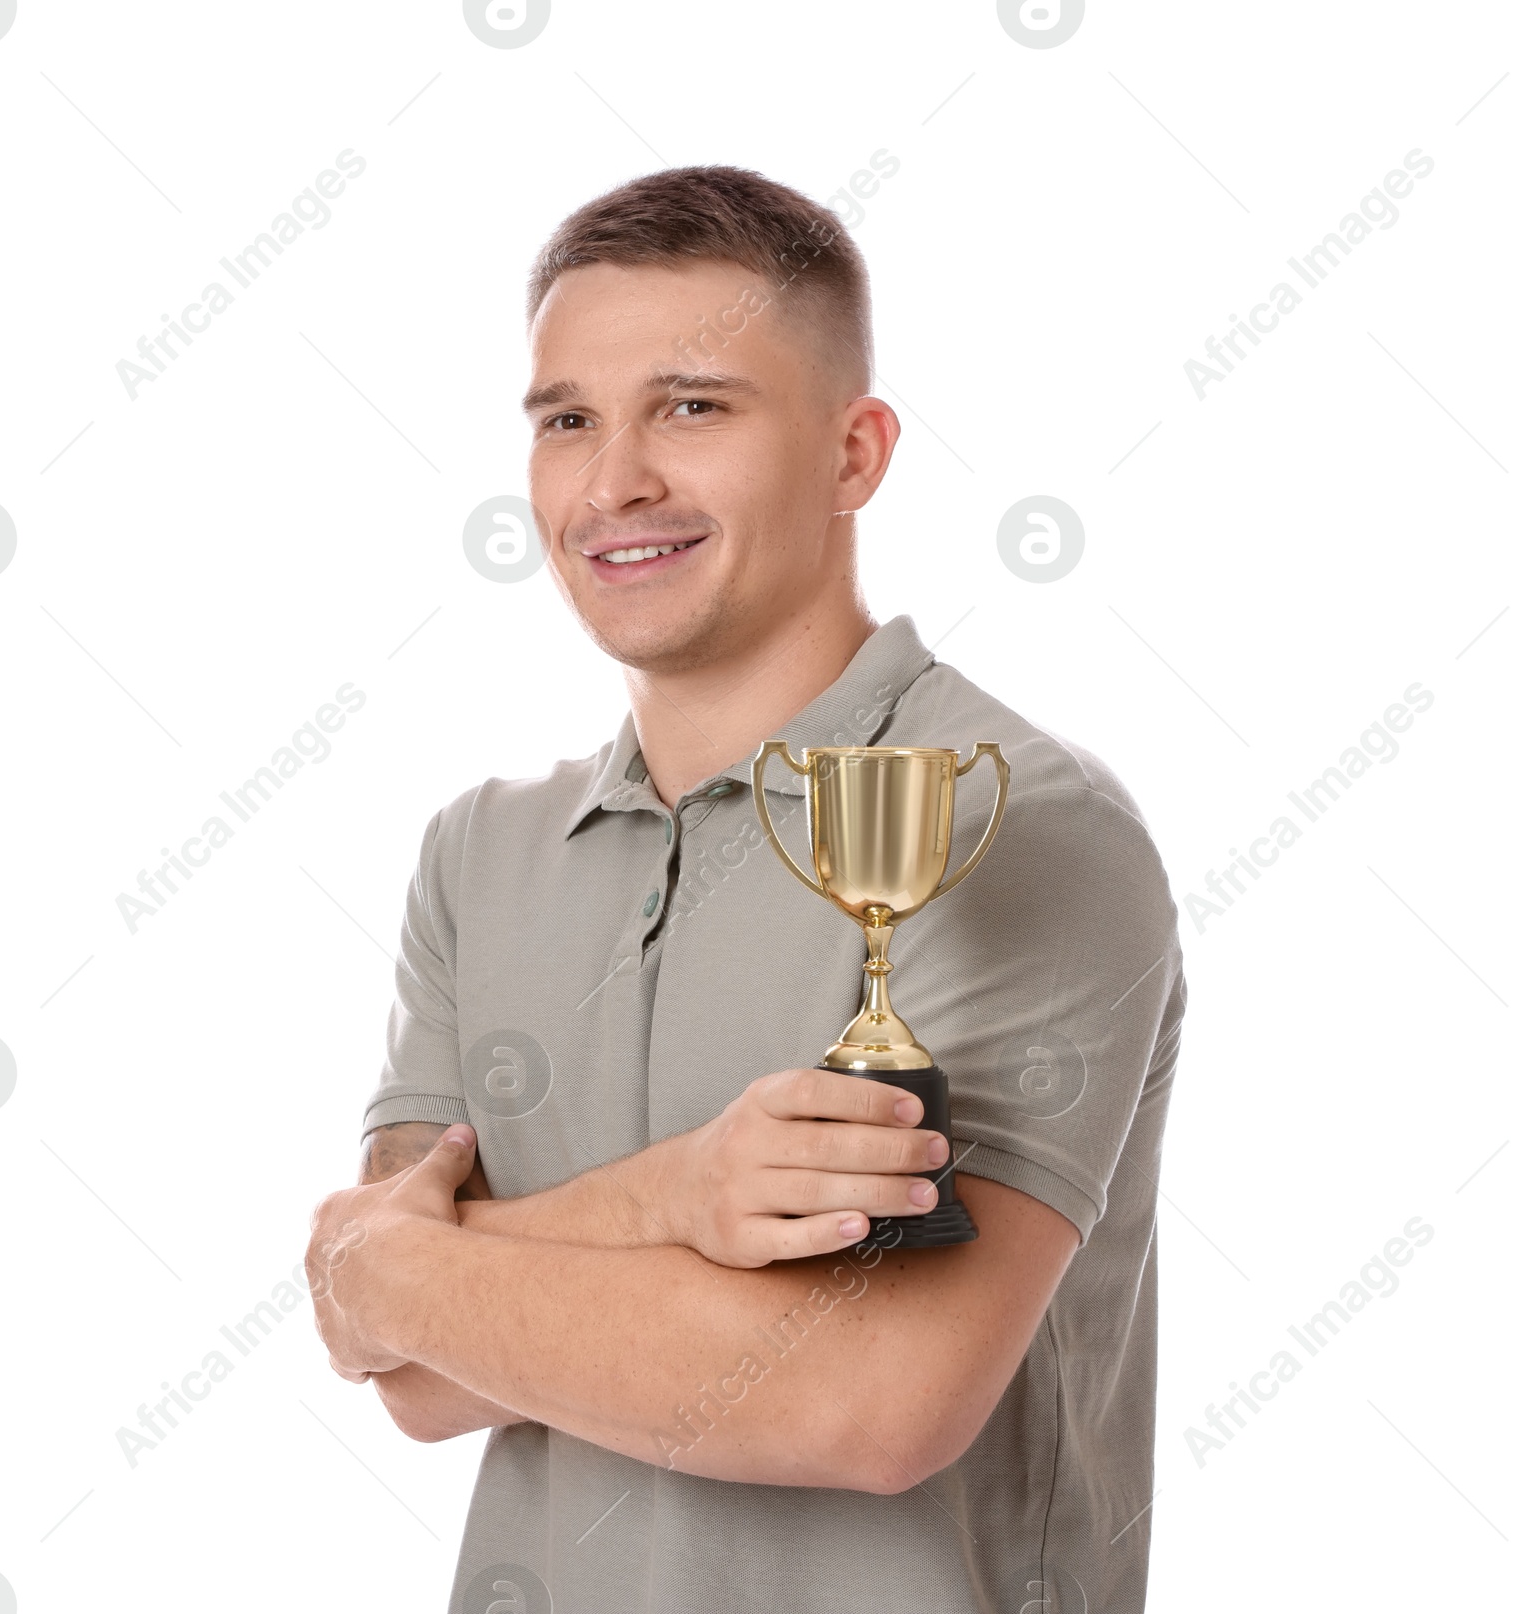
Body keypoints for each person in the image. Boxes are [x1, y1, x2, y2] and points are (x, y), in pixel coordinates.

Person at [307, 165, 1185, 1614]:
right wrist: (678, 1197)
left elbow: (872, 1398)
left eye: (694, 405)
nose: (613, 482)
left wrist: (405, 1263)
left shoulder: (1013, 822)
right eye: (566, 419)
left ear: (856, 453)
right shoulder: (479, 852)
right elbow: (411, 1380)